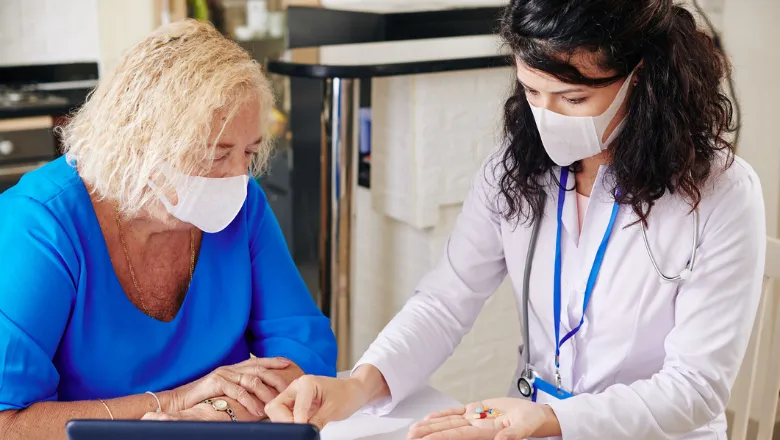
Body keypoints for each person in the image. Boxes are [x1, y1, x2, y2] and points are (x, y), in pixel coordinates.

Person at [264, 1, 766, 439]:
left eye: (573, 99)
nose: (546, 117)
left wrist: (553, 420)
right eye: (531, 91)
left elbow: (695, 388)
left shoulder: (721, 195)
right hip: (527, 422)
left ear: (644, 78)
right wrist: (358, 385)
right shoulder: (517, 165)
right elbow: (446, 300)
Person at [0, 19, 336, 440]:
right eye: (216, 154)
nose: (238, 177)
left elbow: (306, 349)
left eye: (248, 153)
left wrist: (213, 415)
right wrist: (173, 403)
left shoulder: (245, 206)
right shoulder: (40, 228)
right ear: (139, 142)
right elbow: (8, 422)